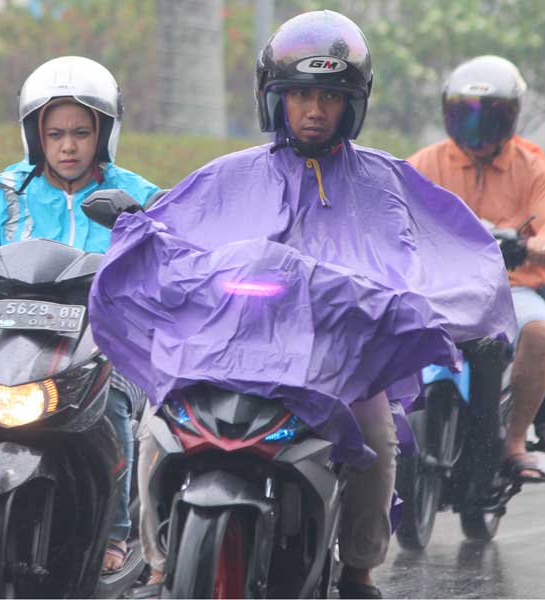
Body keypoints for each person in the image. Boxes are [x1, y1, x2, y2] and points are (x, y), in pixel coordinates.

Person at [89, 12, 515, 599]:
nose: (314, 110)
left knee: (378, 434)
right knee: (154, 425)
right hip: (226, 349)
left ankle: (359, 571)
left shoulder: (385, 185)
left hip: (336, 361)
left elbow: (442, 253)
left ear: (352, 105)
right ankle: (159, 566)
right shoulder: (226, 175)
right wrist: (137, 232)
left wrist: (429, 304)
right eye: (300, 95)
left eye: (330, 97)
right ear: (274, 100)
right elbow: (170, 234)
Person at [0, 56, 159, 574]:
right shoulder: (4, 194)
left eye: (80, 132)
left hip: (107, 345)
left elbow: (177, 242)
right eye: (54, 134)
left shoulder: (135, 195)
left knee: (113, 404)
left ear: (104, 134)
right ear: (34, 136)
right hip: (14, 345)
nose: (67, 146)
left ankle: (117, 534)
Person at [408, 55, 545, 482]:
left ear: (510, 119)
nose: (476, 130)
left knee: (541, 330)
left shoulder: (530, 166)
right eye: (464, 116)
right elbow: (390, 208)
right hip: (440, 286)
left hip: (510, 286)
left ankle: (515, 441)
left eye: (488, 118)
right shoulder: (425, 163)